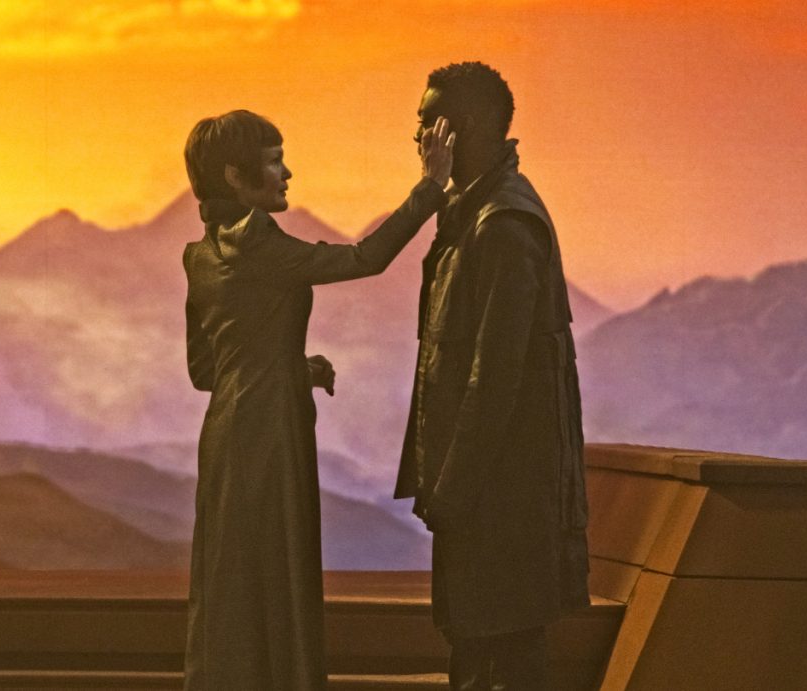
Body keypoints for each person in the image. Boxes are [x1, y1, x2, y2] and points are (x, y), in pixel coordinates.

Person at [181, 110, 453, 690]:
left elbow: (206, 371)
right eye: (275, 160)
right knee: (281, 573)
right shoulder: (260, 243)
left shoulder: (199, 256)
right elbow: (365, 259)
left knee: (231, 578)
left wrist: (291, 365)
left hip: (224, 436)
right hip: (272, 433)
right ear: (235, 175)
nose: (287, 173)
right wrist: (431, 186)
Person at [394, 62, 591, 690]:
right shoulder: (471, 213)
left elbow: (494, 377)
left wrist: (450, 489)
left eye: (429, 120)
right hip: (482, 496)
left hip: (501, 503)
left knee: (501, 660)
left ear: (467, 126)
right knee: (477, 651)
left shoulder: (503, 225)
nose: (418, 135)